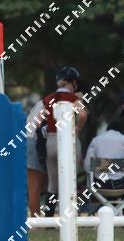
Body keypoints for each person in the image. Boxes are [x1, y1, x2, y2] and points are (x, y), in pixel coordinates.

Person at [29, 66, 88, 204]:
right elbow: (83, 114)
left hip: (51, 142)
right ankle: (70, 211)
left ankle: (49, 213)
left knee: (53, 185)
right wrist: (78, 127)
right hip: (68, 141)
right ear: (73, 82)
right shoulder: (72, 97)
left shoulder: (48, 98)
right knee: (71, 179)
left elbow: (38, 123)